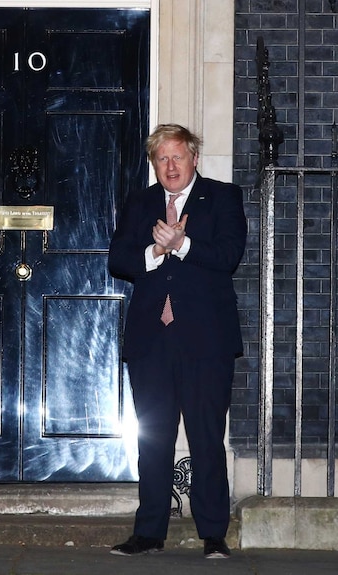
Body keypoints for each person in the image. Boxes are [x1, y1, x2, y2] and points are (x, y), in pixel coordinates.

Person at [107, 124, 246, 559]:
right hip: (152, 341)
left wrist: (183, 244)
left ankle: (213, 535)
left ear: (194, 159)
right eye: (162, 159)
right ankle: (149, 533)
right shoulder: (141, 202)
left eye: (177, 157)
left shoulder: (223, 197)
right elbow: (118, 259)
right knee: (152, 441)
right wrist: (155, 252)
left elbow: (228, 256)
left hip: (206, 340)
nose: (170, 166)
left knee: (206, 438)